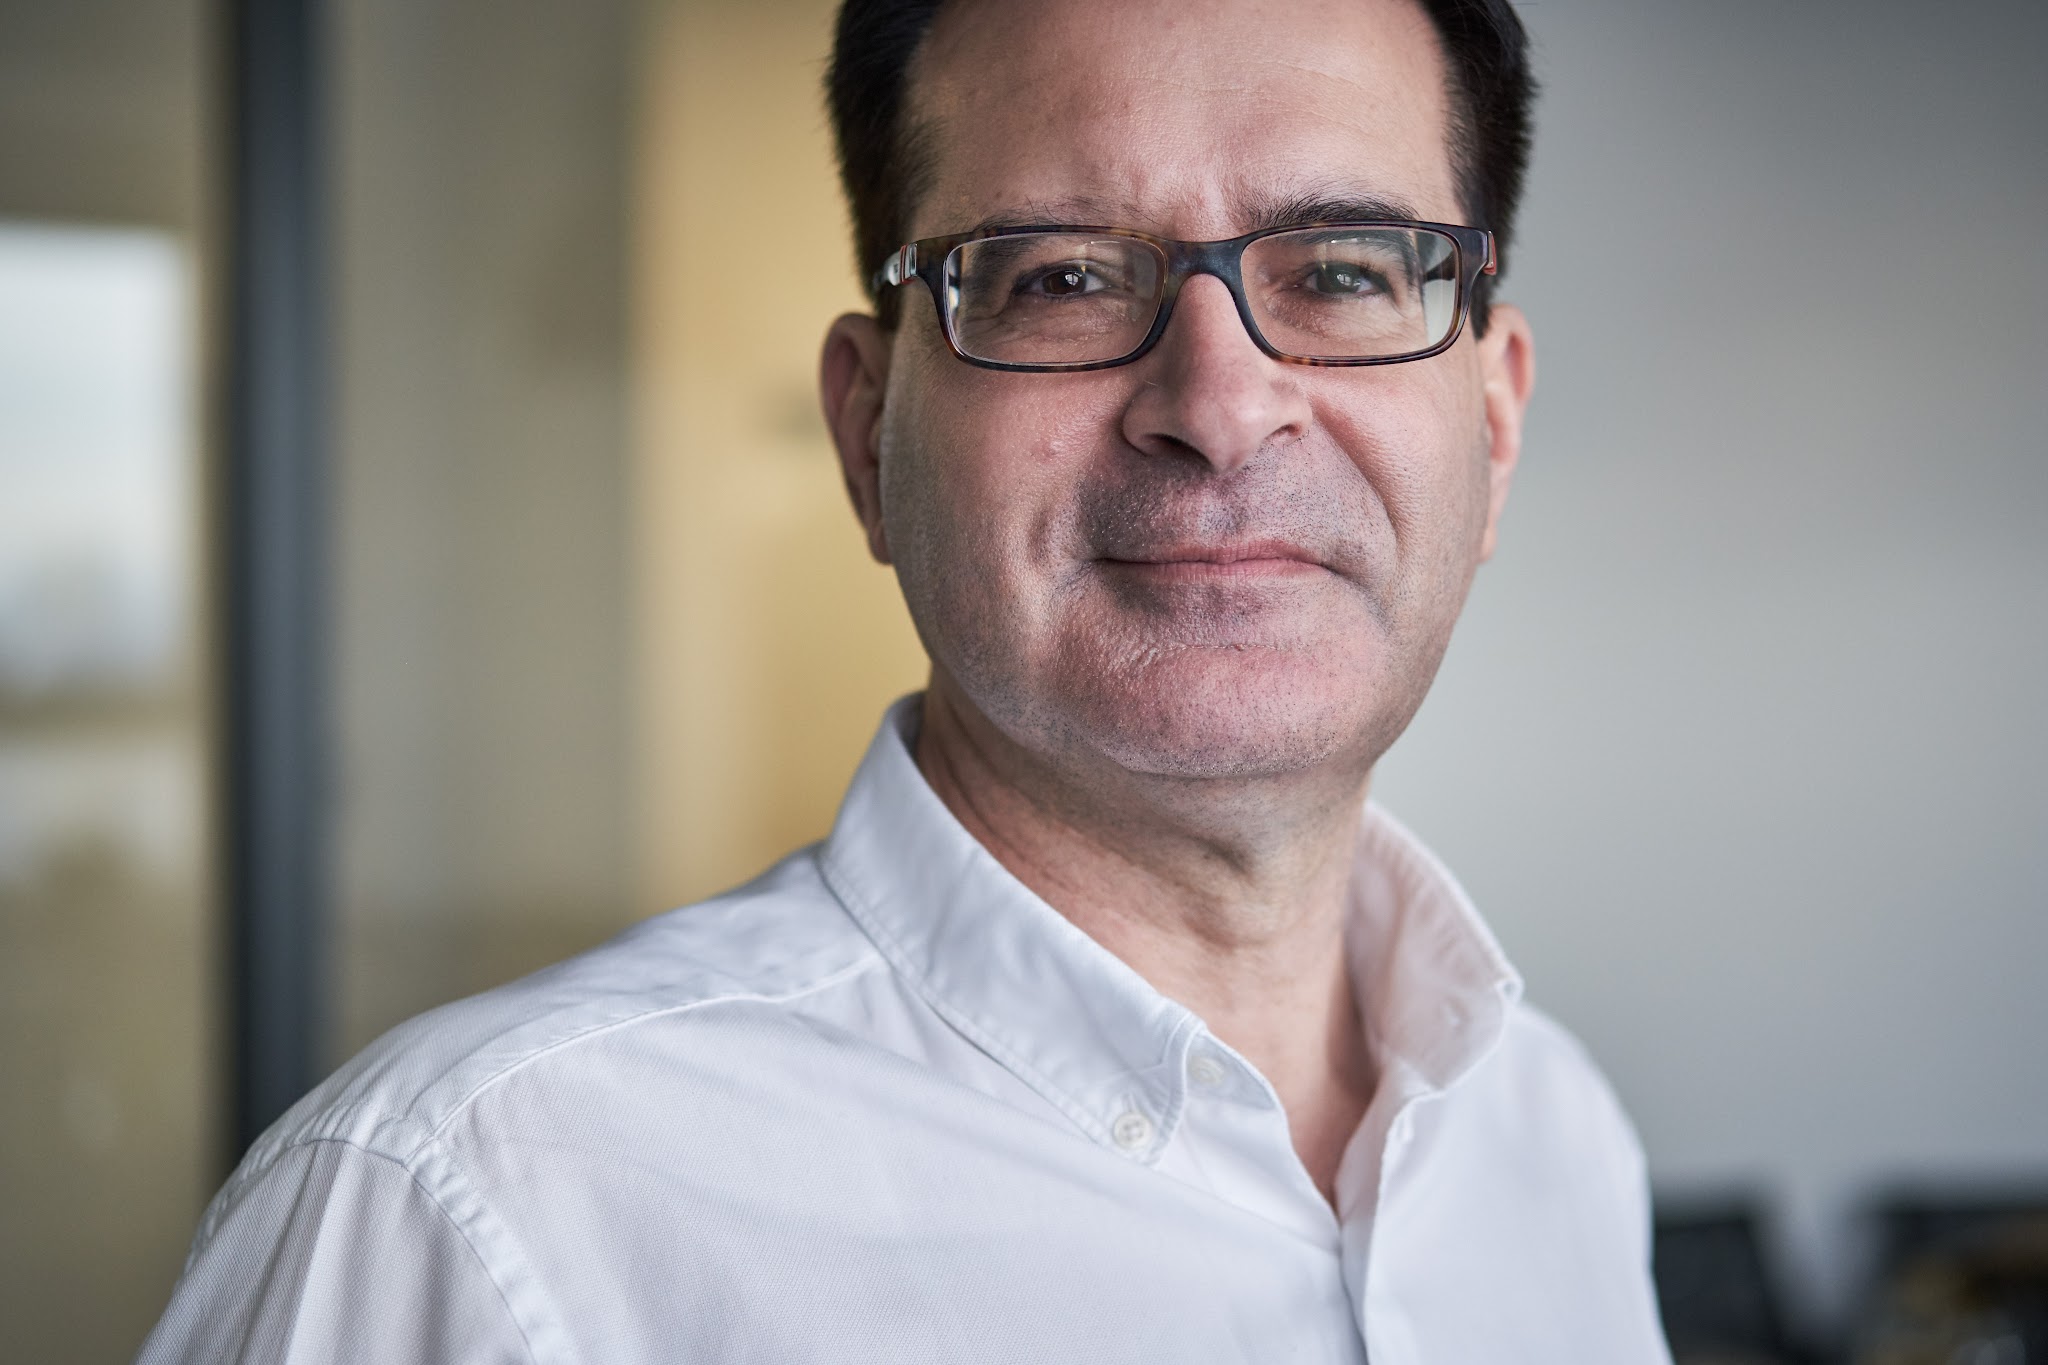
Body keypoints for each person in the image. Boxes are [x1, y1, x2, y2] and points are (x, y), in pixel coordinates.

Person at [139, 0, 1672, 1360]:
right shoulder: (468, 1220)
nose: (1219, 404)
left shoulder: (1553, 1144)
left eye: (1341, 270)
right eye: (1061, 277)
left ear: (1494, 427)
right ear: (868, 436)